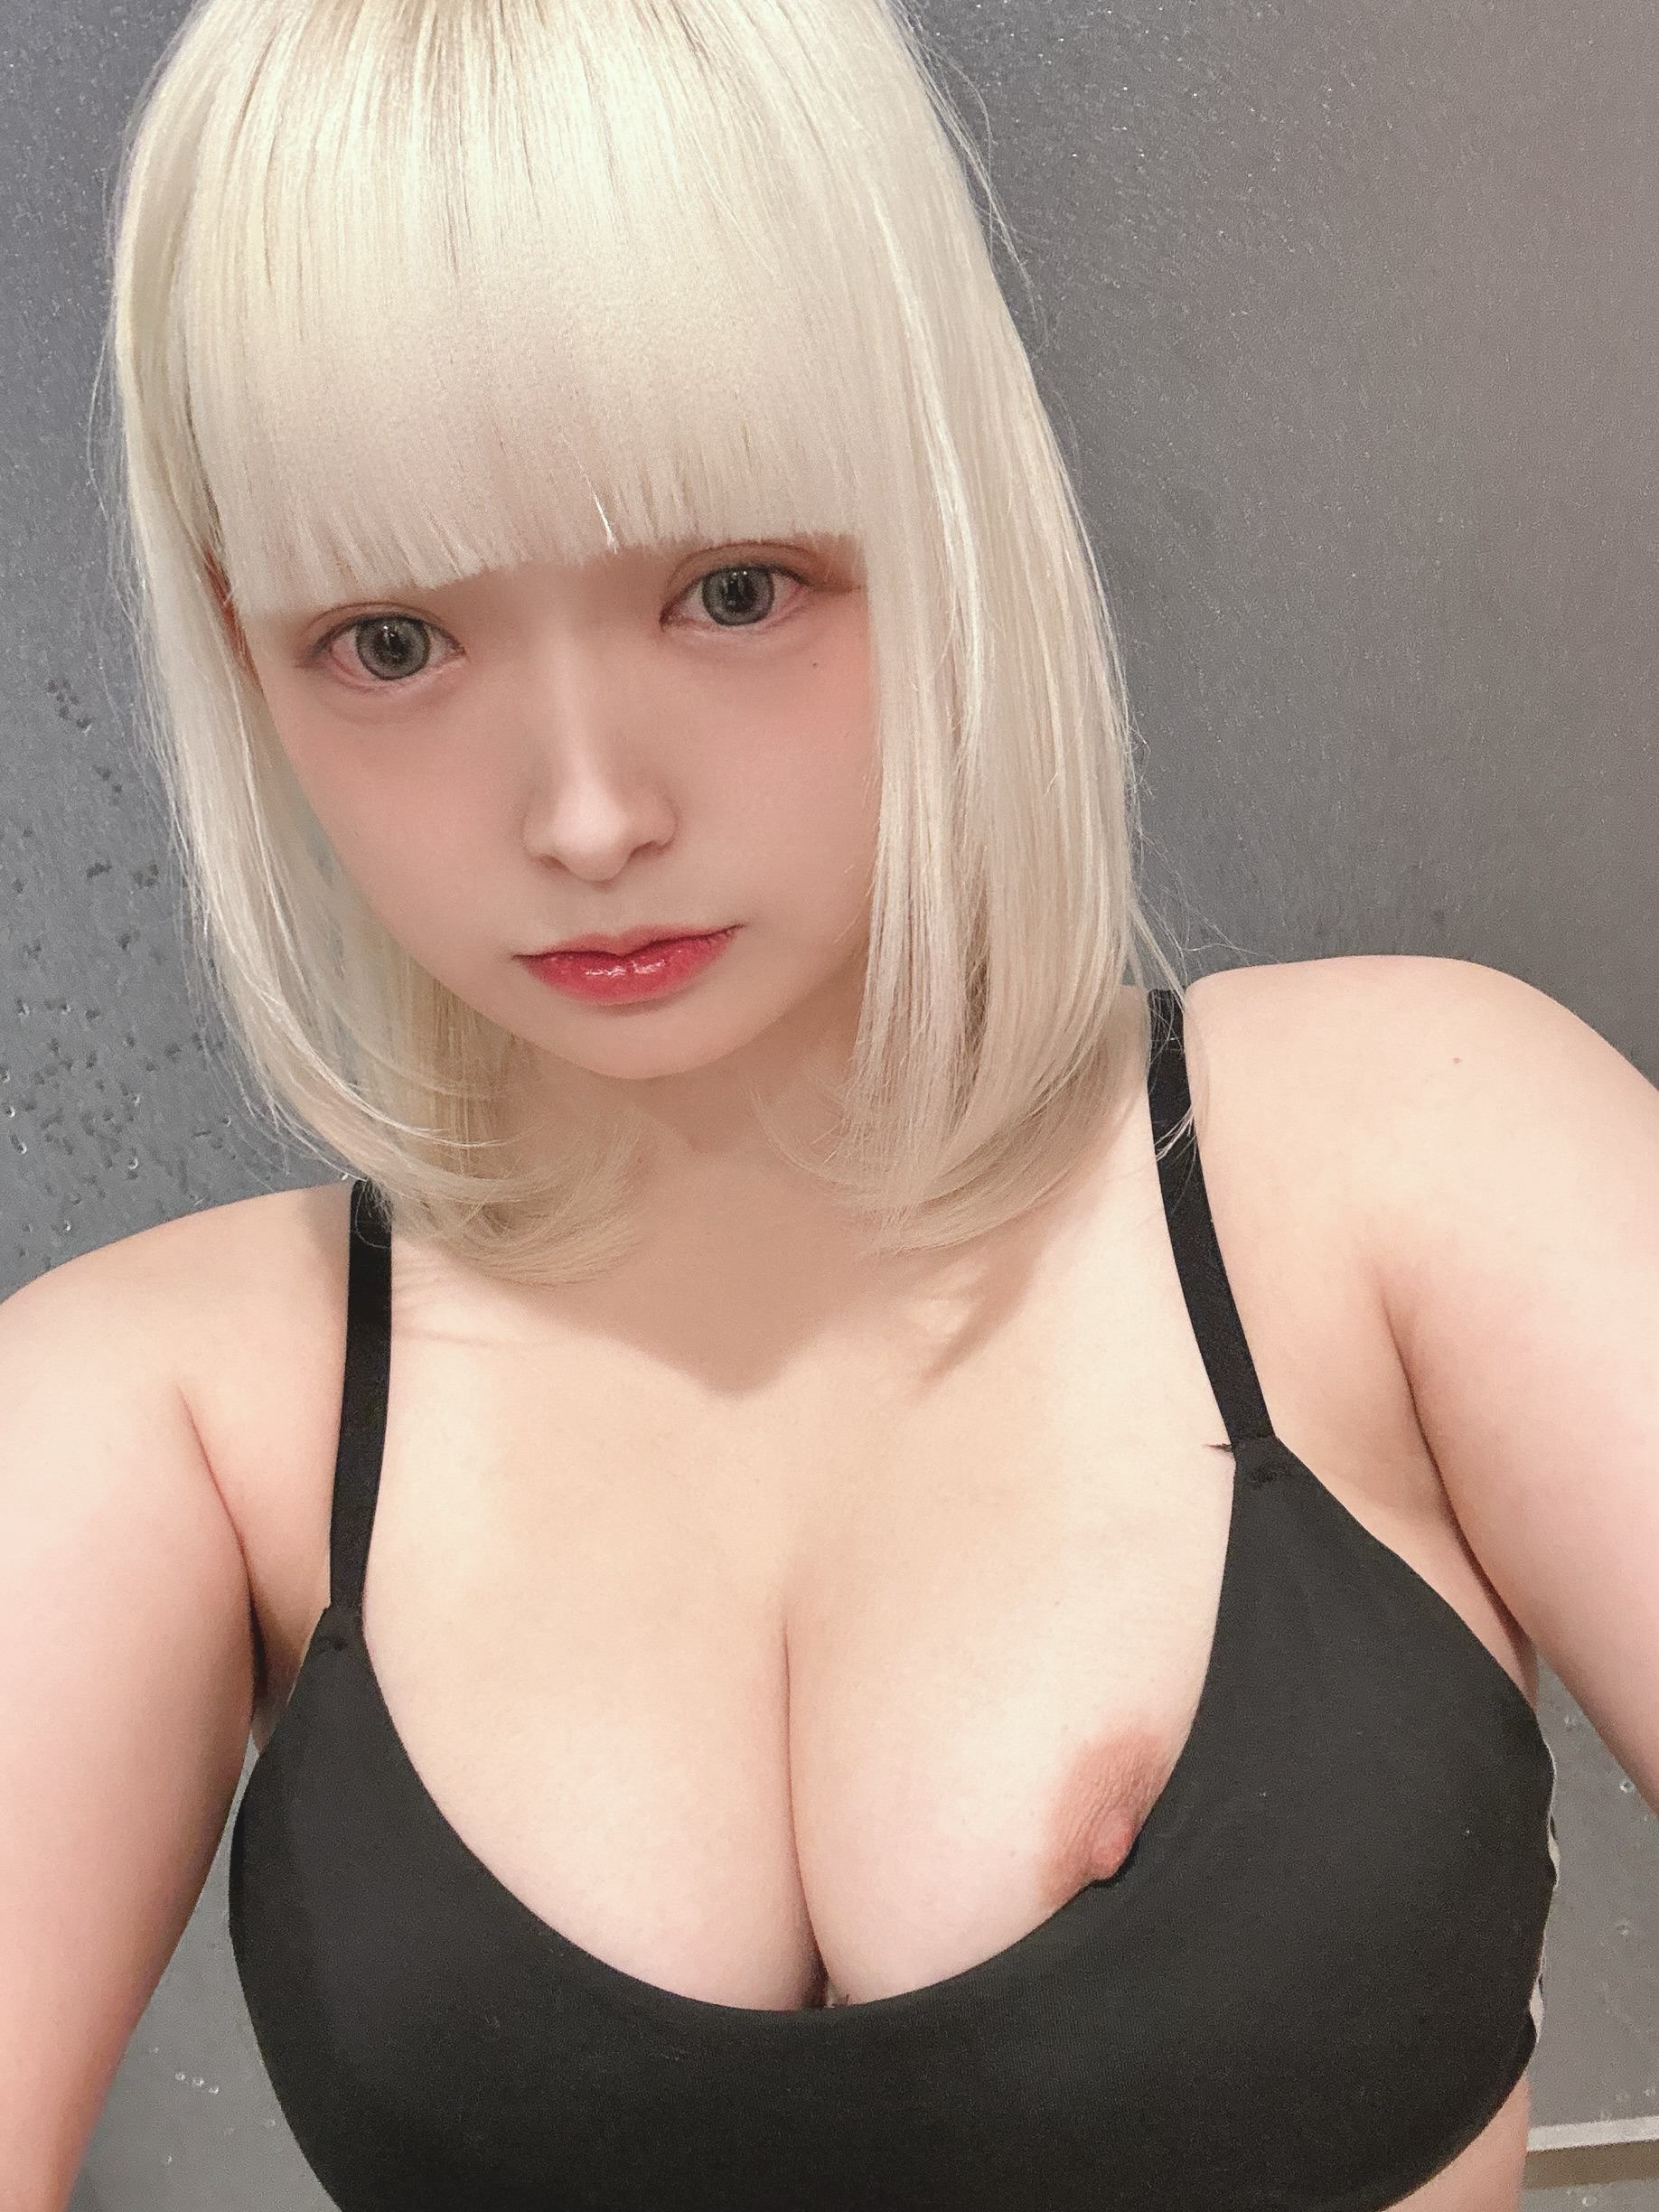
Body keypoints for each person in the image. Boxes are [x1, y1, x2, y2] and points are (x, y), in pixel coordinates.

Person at [3, 0, 1654, 2207]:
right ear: (245, 648)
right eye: (392, 641)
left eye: (734, 589)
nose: (588, 814)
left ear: (939, 509)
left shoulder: (1414, 1157)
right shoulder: (155, 1418)